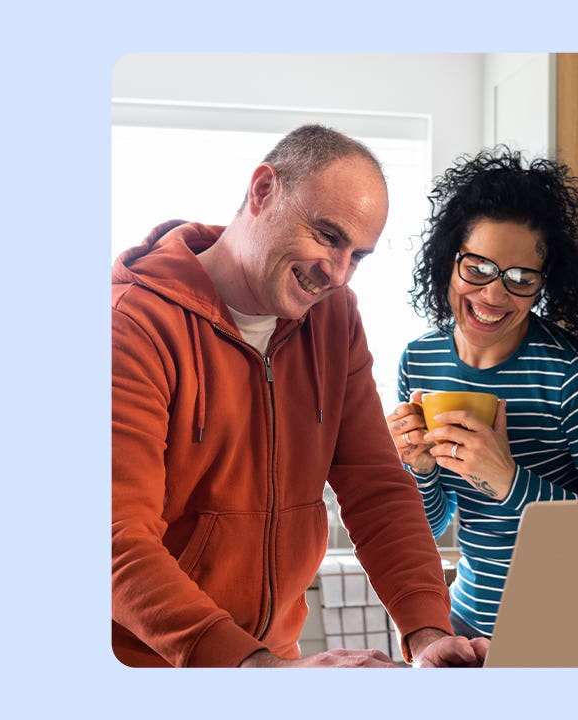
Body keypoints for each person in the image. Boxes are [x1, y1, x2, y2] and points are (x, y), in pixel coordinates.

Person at [112, 124, 488, 667]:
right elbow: (116, 540)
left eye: (358, 255)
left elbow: (376, 487)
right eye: (328, 236)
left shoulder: (334, 319)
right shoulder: (132, 326)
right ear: (263, 191)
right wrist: (262, 673)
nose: (336, 273)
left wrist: (429, 633)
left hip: (270, 660)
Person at [386, 147, 578, 640]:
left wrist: (509, 480)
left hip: (564, 633)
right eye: (478, 267)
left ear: (542, 285)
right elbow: (433, 521)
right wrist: (420, 470)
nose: (493, 295)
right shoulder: (419, 361)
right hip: (463, 621)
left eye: (519, 278)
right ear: (450, 260)